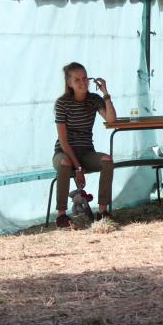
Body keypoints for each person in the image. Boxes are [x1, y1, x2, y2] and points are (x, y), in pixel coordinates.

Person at [53, 62, 116, 229]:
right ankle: (61, 216)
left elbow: (111, 120)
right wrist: (79, 169)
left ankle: (102, 213)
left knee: (107, 160)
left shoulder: (94, 100)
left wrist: (105, 93)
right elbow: (64, 142)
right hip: (64, 152)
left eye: (85, 78)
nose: (83, 83)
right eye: (77, 80)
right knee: (65, 163)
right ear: (69, 84)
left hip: (86, 152)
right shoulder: (62, 103)